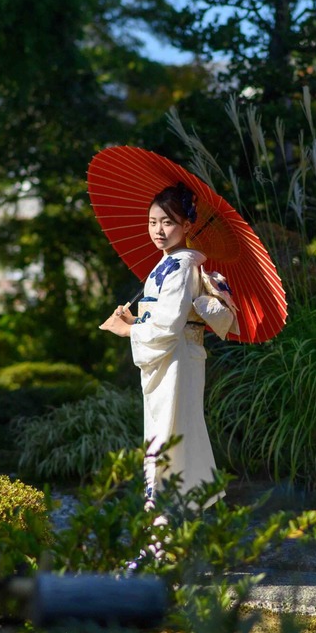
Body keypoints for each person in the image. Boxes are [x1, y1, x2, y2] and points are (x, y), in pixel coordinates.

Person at [99, 182, 220, 505]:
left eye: (168, 222)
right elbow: (164, 319)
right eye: (153, 222)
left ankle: (162, 536)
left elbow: (168, 326)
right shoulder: (170, 263)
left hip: (175, 360)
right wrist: (135, 322)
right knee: (169, 437)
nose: (158, 230)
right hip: (172, 358)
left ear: (187, 226)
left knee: (167, 437)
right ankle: (170, 530)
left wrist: (129, 332)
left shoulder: (181, 265)